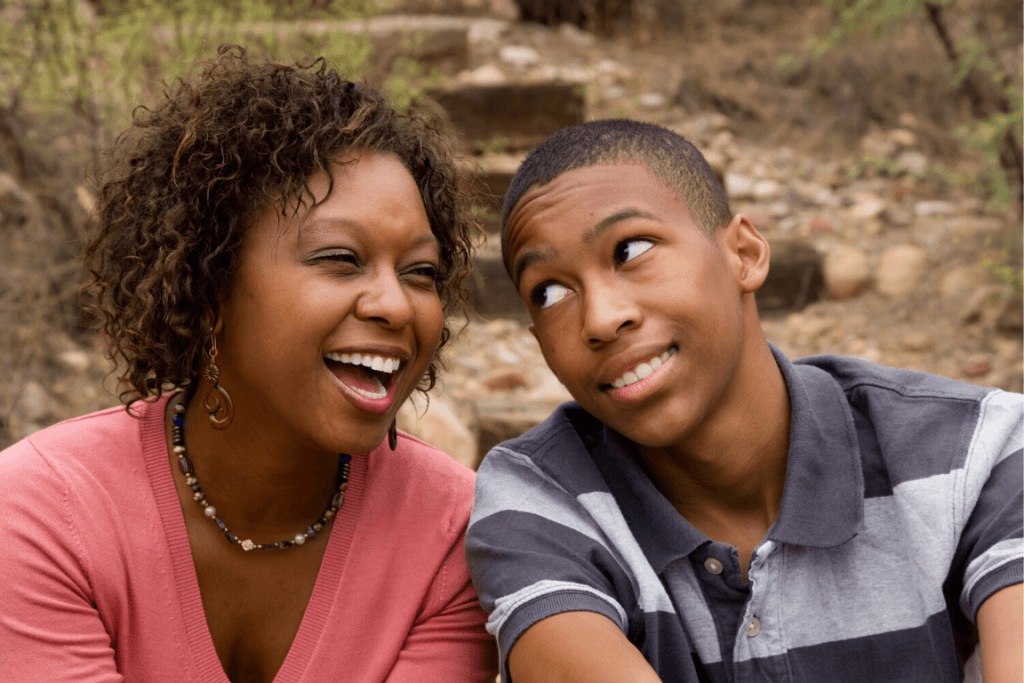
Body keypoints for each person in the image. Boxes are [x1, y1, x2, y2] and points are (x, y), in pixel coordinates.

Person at [0, 47, 497, 683]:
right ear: (210, 282)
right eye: (340, 258)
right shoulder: (45, 515)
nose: (397, 305)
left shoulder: (454, 536)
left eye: (420, 272)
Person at [464, 119, 1023, 683]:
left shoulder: (976, 453)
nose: (601, 319)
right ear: (538, 340)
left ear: (745, 254)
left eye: (630, 250)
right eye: (550, 292)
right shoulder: (542, 499)